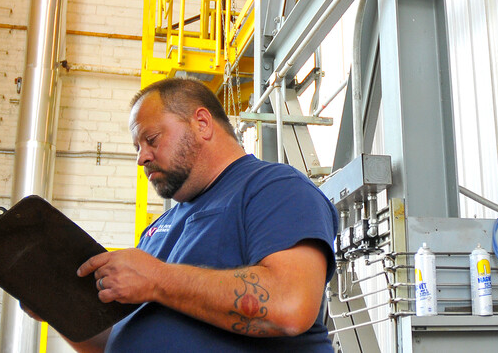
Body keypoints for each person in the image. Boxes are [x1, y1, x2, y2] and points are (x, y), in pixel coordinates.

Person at [64, 78, 339, 352]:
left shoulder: (274, 187)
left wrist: (157, 278)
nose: (142, 158)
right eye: (138, 148)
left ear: (202, 124)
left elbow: (290, 304)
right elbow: (114, 344)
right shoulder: (157, 229)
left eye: (151, 140)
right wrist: (59, 308)